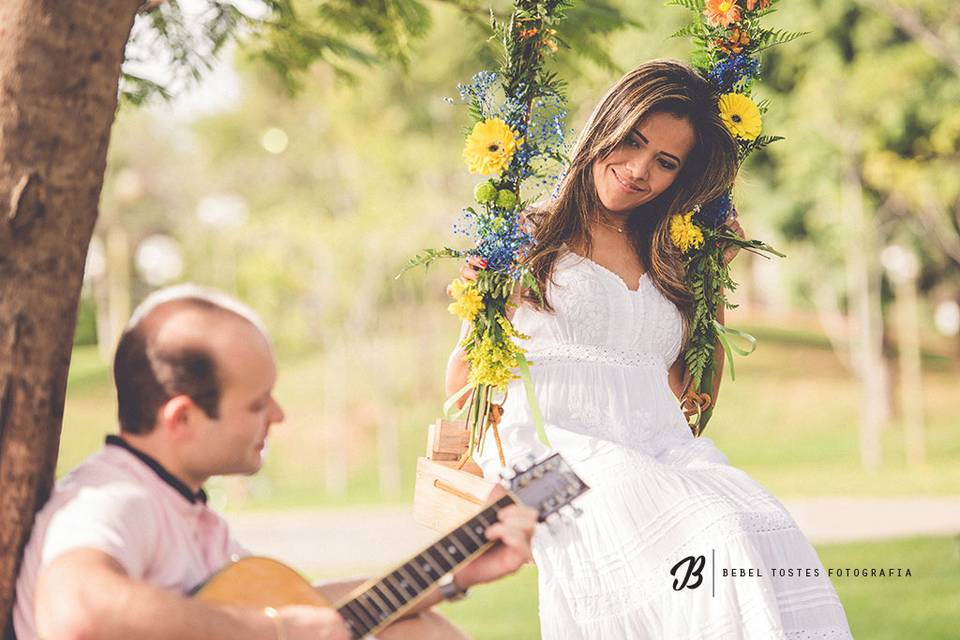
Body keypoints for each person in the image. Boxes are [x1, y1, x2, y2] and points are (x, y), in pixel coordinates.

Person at [446, 59, 853, 639]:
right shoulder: (527, 239)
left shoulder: (671, 253)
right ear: (604, 127)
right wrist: (493, 469)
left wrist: (713, 285)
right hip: (562, 455)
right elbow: (464, 377)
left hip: (660, 447)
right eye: (632, 143)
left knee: (761, 525)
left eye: (666, 162)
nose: (638, 171)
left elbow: (691, 397)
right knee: (713, 537)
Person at [14, 284, 538, 640]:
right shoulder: (111, 498)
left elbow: (301, 606)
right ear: (182, 419)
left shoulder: (185, 509)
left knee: (418, 633)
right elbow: (74, 608)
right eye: (257, 404)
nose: (279, 416)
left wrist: (451, 577)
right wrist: (276, 630)